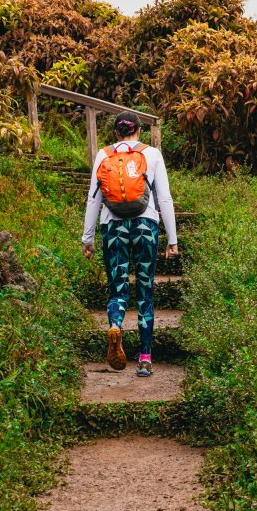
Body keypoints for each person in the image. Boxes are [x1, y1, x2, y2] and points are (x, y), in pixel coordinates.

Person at [82, 114, 179, 376]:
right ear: (138, 131)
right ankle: (145, 358)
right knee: (145, 291)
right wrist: (172, 239)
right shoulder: (153, 154)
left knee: (117, 288)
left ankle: (115, 324)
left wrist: (87, 239)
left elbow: (94, 200)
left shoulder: (104, 156)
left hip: (112, 227)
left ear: (116, 132)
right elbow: (164, 199)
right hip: (145, 225)